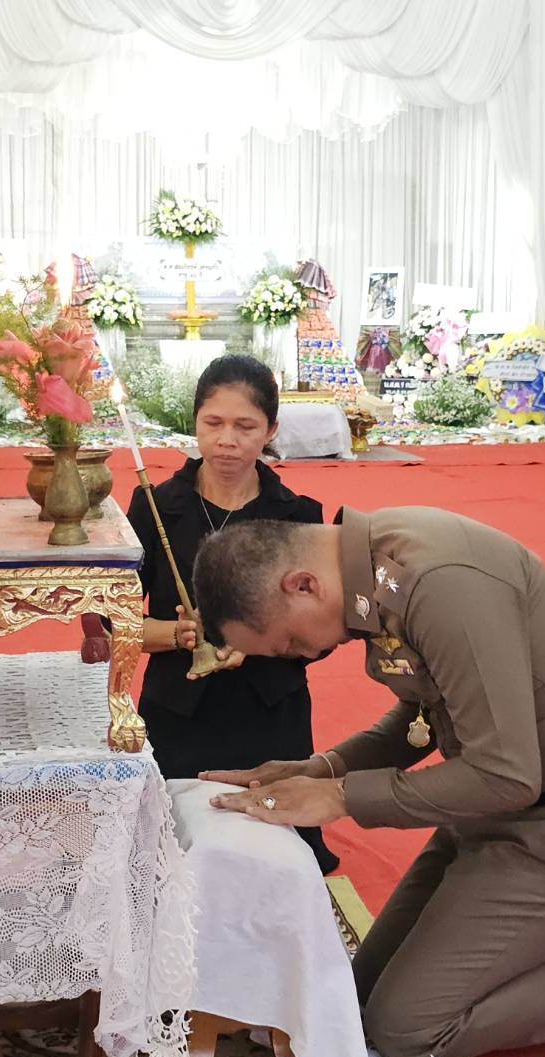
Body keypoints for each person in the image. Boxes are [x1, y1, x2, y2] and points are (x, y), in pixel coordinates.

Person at [191, 512, 545, 1057]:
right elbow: (424, 717)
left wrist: (342, 796)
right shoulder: (376, 567)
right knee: (354, 1002)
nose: (301, 655)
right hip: (497, 818)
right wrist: (321, 769)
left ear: (303, 584)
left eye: (287, 642)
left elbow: (505, 774)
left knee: (407, 1030)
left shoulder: (437, 580)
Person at [126, 355, 337, 873]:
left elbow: (326, 633)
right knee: (167, 857)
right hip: (177, 712)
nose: (227, 440)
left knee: (275, 859)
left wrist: (261, 642)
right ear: (194, 421)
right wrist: (177, 634)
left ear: (271, 430)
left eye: (245, 426)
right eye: (213, 423)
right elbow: (112, 624)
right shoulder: (155, 507)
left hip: (269, 712)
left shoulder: (298, 516)